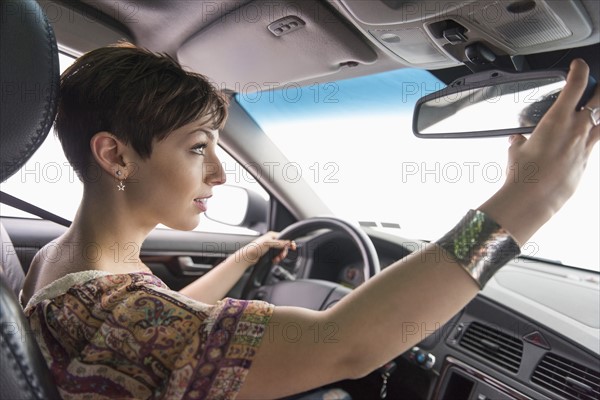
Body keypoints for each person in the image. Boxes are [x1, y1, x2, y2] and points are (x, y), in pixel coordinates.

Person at [20, 42, 599, 400]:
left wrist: (246, 258)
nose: (220, 174)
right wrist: (528, 205)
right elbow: (344, 344)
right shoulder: (119, 313)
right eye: (199, 148)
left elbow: (172, 328)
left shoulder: (67, 267)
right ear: (116, 155)